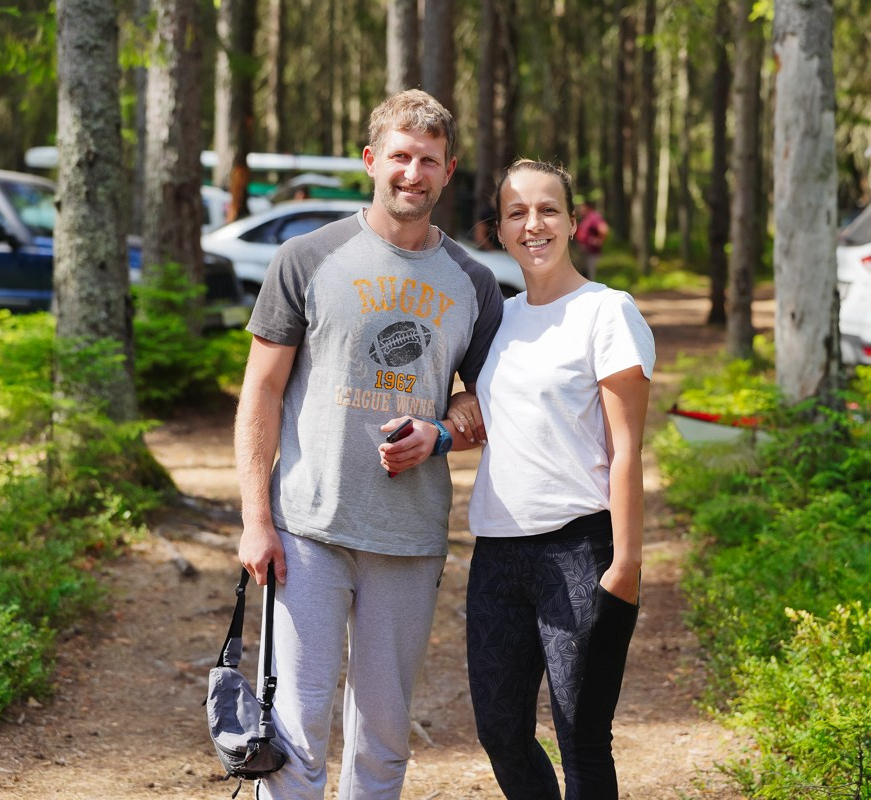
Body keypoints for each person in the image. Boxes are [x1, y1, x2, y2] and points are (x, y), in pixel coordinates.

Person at [234, 89, 504, 800]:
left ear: (449, 171)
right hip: (307, 530)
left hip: (409, 538)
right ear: (370, 161)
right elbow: (261, 391)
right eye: (400, 157)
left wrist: (441, 433)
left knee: (383, 742)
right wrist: (256, 519)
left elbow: (488, 401)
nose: (413, 173)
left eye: (429, 161)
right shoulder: (306, 258)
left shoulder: (475, 284)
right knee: (292, 736)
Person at [447, 159, 655, 800]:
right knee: (501, 732)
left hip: (580, 550)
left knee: (581, 740)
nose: (532, 224)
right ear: (500, 230)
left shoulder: (607, 312)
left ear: (571, 222)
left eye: (547, 210)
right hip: (497, 553)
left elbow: (626, 449)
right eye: (517, 213)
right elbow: (486, 406)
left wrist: (626, 564)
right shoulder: (496, 319)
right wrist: (460, 403)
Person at [574, 196, 609, 280]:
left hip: (592, 253)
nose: (579, 209)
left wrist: (598, 240)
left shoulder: (593, 217)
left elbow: (604, 229)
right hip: (584, 253)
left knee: (591, 276)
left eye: (581, 206)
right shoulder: (584, 218)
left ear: (587, 206)